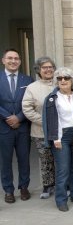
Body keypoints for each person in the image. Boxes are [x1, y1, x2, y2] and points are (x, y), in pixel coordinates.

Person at [43, 67, 73, 212]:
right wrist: (56, 138)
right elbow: (51, 120)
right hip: (62, 136)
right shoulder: (52, 98)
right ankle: (61, 199)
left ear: (71, 80)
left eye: (66, 78)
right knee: (63, 169)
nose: (63, 81)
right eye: (59, 78)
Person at [0, 49, 33, 203]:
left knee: (24, 158)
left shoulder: (27, 80)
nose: (13, 61)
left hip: (22, 126)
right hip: (4, 127)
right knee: (5, 160)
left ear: (20, 61)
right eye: (10, 58)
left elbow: (31, 102)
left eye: (16, 58)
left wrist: (19, 117)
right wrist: (8, 117)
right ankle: (8, 190)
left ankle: (24, 187)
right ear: (3, 60)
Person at [22, 56, 56, 199]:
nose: (48, 70)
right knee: (46, 160)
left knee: (61, 159)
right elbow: (27, 108)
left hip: (59, 131)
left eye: (50, 67)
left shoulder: (61, 83)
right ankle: (48, 186)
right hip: (40, 131)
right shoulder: (32, 88)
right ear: (38, 70)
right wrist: (45, 121)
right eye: (44, 68)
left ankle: (62, 185)